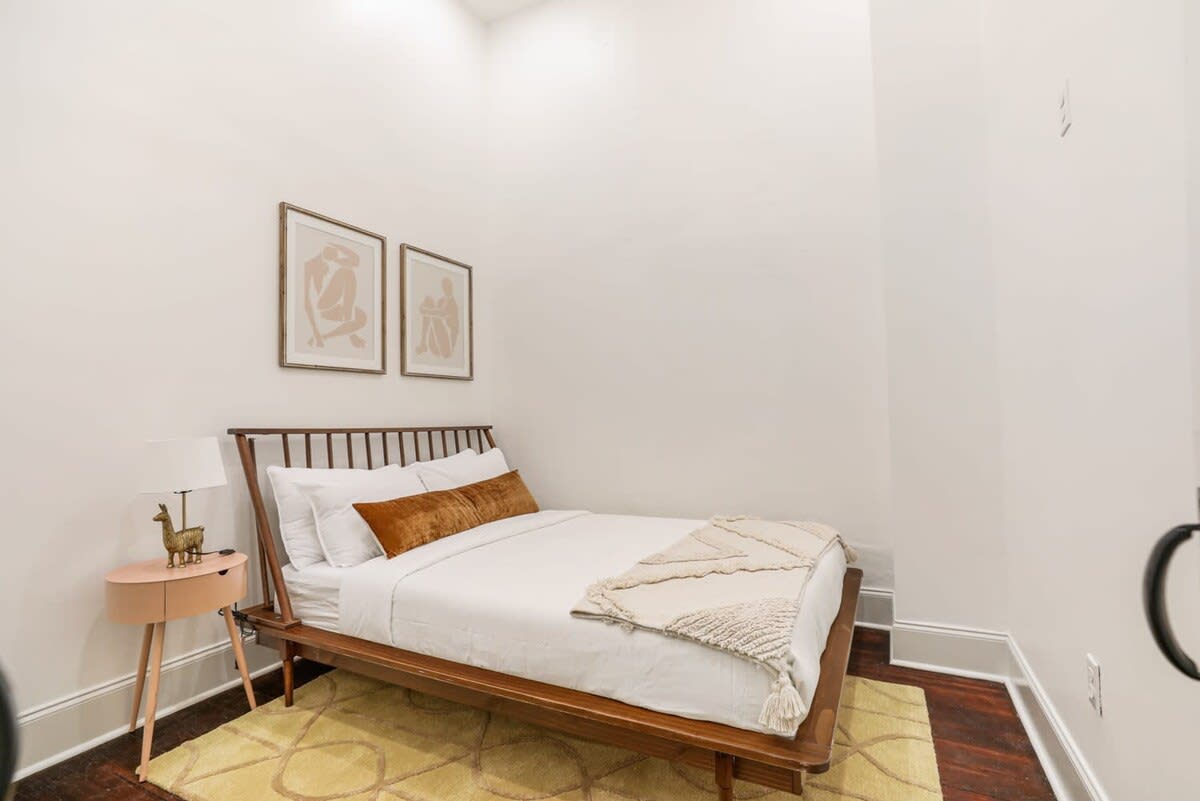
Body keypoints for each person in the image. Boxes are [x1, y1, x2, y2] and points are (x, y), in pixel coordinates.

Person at [303, 243, 368, 349]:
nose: (338, 257)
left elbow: (356, 259)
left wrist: (337, 245)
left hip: (337, 308)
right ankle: (346, 326)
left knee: (362, 317)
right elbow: (307, 302)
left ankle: (325, 336)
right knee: (347, 272)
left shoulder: (334, 260)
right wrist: (315, 332)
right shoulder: (310, 265)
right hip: (324, 307)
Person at [415, 276, 459, 358]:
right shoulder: (441, 300)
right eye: (444, 286)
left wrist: (425, 310)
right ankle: (423, 343)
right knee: (429, 301)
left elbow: (441, 314)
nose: (446, 288)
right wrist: (426, 309)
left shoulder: (453, 304)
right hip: (436, 341)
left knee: (432, 311)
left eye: (448, 286)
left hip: (446, 348)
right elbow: (436, 312)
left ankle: (423, 343)